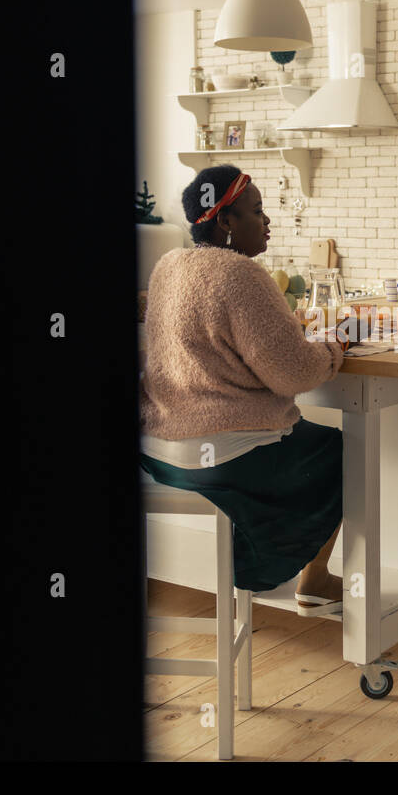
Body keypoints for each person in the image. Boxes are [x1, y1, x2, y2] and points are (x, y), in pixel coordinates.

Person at [140, 165, 352, 615]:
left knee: (310, 441)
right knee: (342, 451)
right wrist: (333, 349)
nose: (267, 220)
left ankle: (242, 566)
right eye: (256, 211)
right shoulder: (241, 275)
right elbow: (293, 374)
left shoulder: (168, 266)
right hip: (223, 457)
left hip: (160, 451)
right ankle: (311, 580)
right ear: (225, 221)